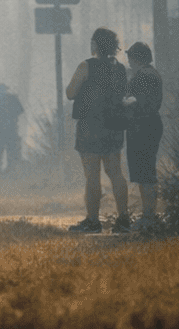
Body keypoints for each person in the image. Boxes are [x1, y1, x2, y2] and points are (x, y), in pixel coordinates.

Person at [65, 26, 130, 234]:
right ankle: (124, 219)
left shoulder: (86, 66)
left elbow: (70, 92)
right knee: (116, 173)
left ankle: (93, 221)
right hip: (114, 125)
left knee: (92, 175)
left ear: (95, 44)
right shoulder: (119, 68)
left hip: (90, 127)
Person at [122, 41, 163, 231]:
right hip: (148, 124)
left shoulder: (144, 75)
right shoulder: (150, 73)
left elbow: (140, 100)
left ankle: (148, 216)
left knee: (145, 172)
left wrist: (126, 103)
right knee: (146, 171)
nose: (129, 60)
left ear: (136, 58)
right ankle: (149, 214)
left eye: (130, 56)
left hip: (143, 126)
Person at [0, 82, 25, 174]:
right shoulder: (12, 98)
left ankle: (0, 169)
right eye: (1, 89)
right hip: (9, 128)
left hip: (1, 129)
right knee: (7, 148)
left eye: (2, 89)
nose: (2, 91)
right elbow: (20, 110)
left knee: (1, 149)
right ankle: (6, 168)